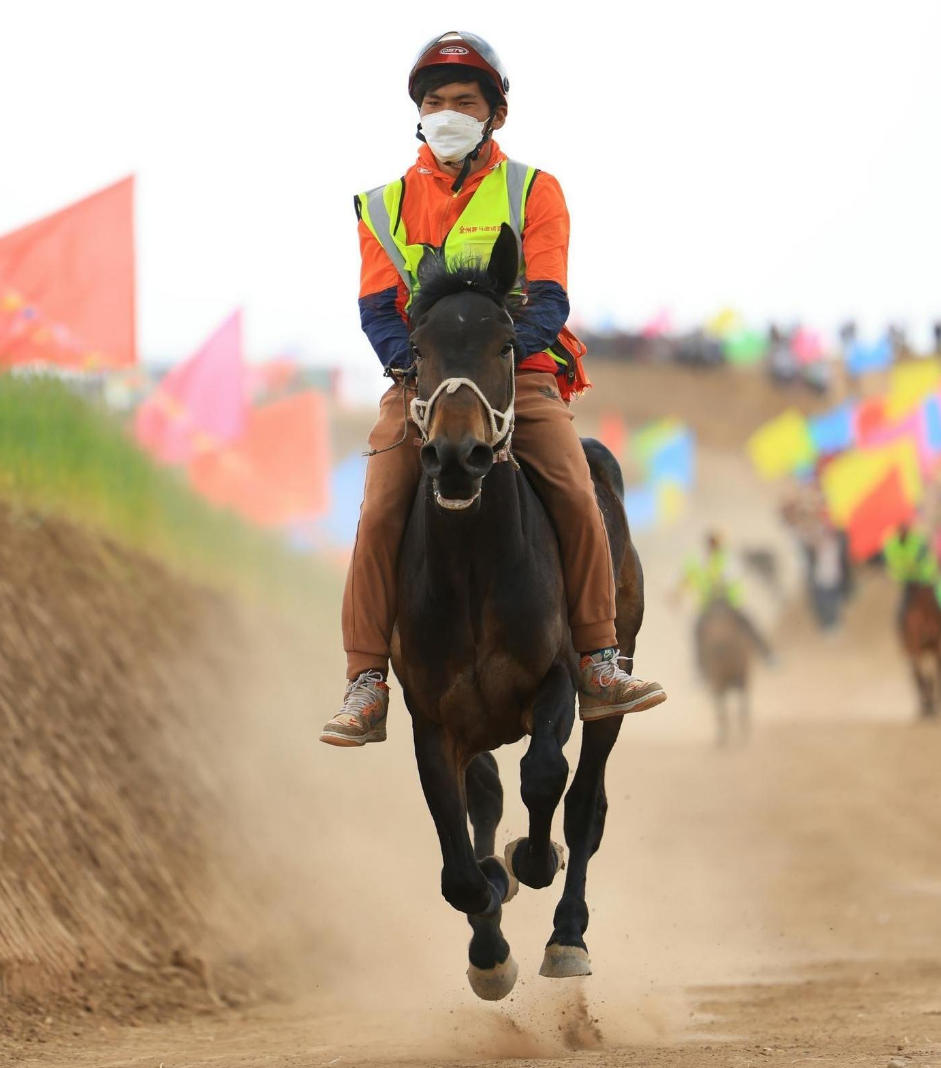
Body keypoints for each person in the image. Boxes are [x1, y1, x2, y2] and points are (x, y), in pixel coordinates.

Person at [320, 31, 667, 746]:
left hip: (516, 376)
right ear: (418, 113)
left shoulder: (534, 190)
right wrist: (421, 376)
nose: (447, 112)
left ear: (494, 115)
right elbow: (376, 310)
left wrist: (494, 365)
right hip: (421, 382)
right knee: (380, 507)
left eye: (463, 102)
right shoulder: (380, 205)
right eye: (435, 101)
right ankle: (364, 681)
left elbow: (546, 299)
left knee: (577, 490)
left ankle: (599, 661)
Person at [676, 531, 775, 661]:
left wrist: (721, 583)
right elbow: (685, 578)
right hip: (706, 605)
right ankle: (699, 667)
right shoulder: (696, 561)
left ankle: (766, 654)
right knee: (697, 632)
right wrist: (676, 594)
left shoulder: (726, 558)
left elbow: (733, 573)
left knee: (748, 623)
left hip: (728, 602)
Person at [883, 522, 941, 605]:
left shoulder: (917, 540)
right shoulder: (890, 543)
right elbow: (890, 561)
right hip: (904, 577)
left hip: (923, 575)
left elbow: (924, 557)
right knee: (904, 602)